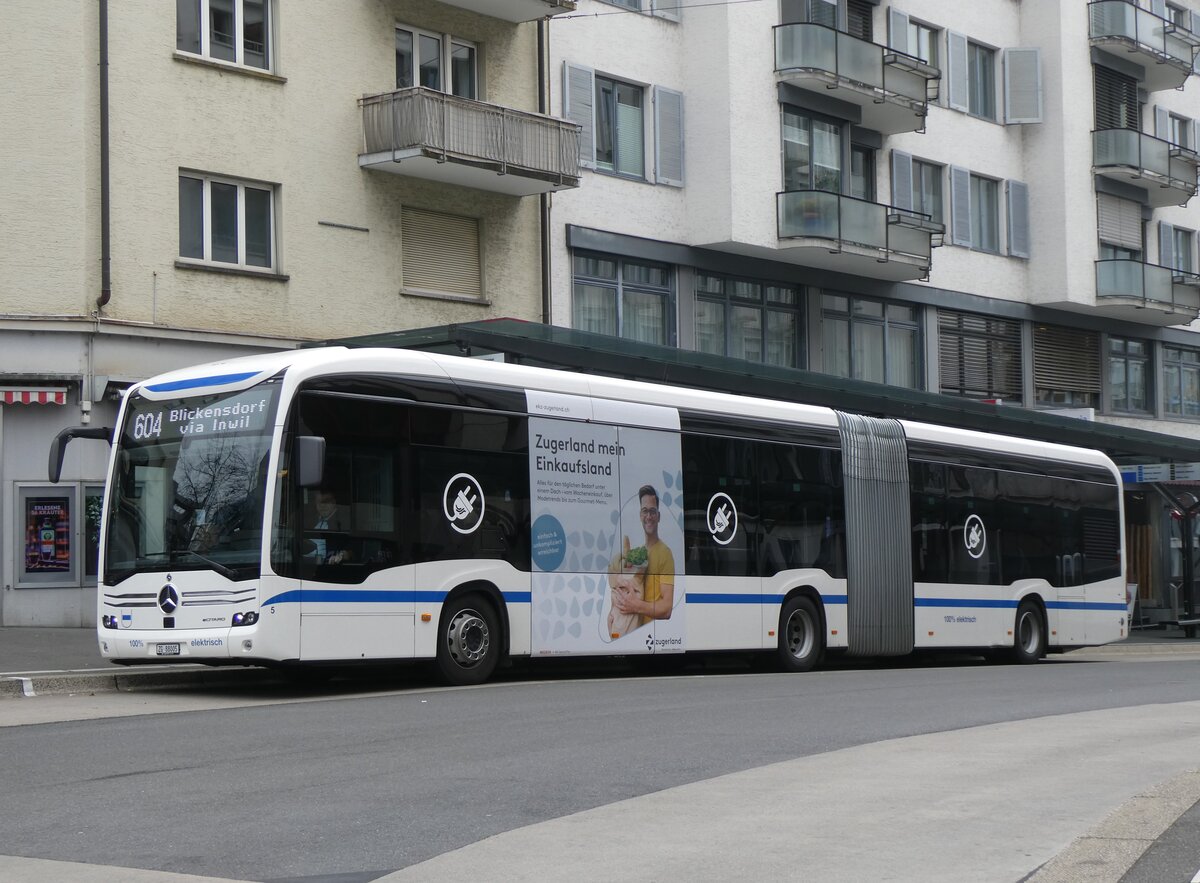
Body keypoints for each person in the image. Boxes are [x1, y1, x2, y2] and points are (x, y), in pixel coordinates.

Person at [612, 485, 676, 628]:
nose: (649, 516)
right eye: (645, 511)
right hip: (632, 631)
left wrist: (636, 605)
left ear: (658, 516)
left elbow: (666, 608)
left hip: (650, 633)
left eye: (653, 511)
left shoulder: (665, 553)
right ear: (640, 515)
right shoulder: (638, 553)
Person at [307, 488, 352, 564]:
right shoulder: (311, 520)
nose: (322, 506)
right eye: (319, 503)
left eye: (326, 502)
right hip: (305, 562)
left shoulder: (343, 521)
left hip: (325, 565)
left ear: (334, 502)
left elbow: (353, 549)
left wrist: (342, 555)